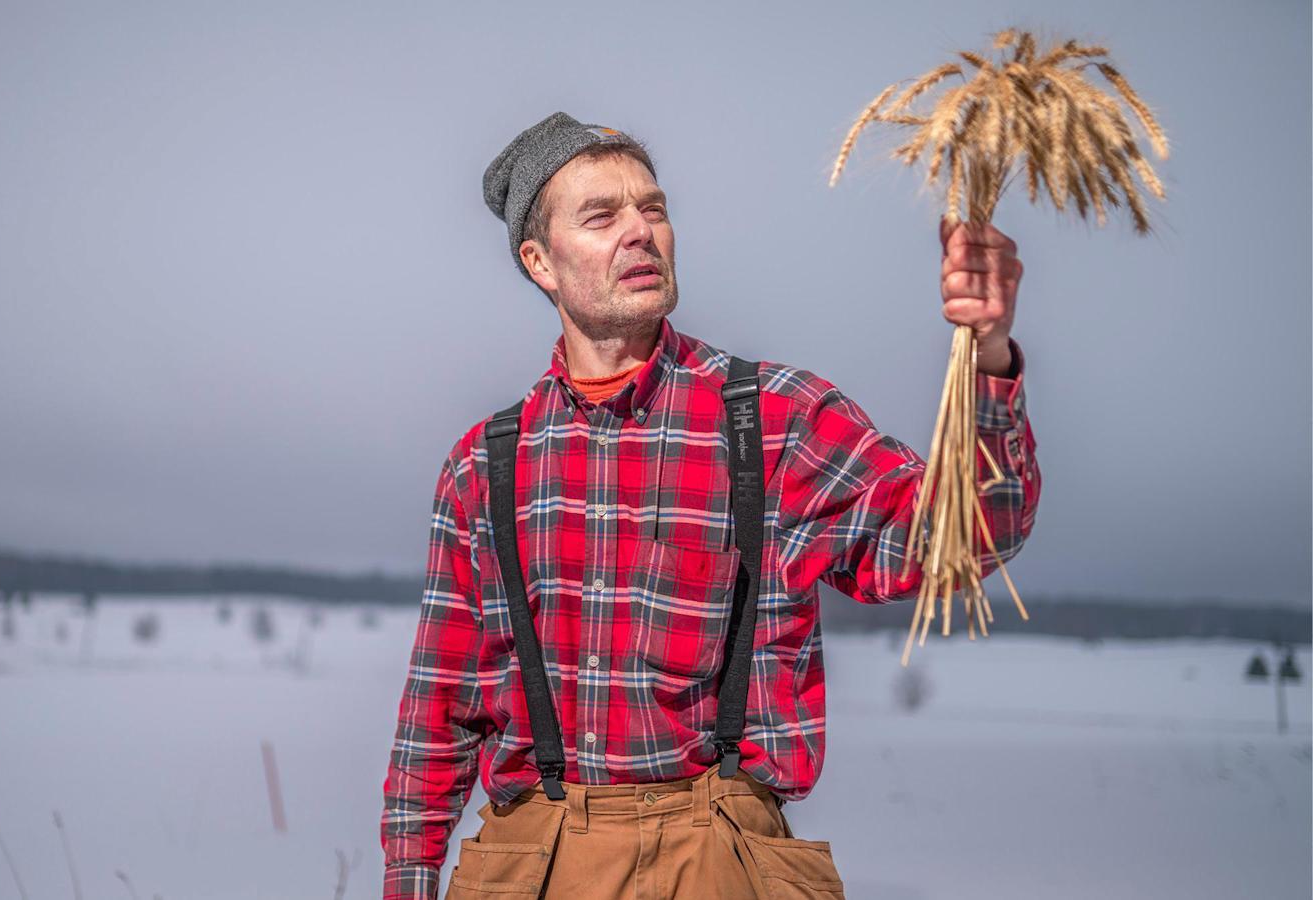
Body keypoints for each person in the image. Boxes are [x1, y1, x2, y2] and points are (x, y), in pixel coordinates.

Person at [380, 111, 1041, 900]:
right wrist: (409, 878)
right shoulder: (485, 466)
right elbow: (437, 711)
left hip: (719, 856)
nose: (641, 232)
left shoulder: (774, 420)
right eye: (602, 216)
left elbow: (960, 539)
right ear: (540, 262)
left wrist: (988, 353)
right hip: (532, 862)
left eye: (652, 209)